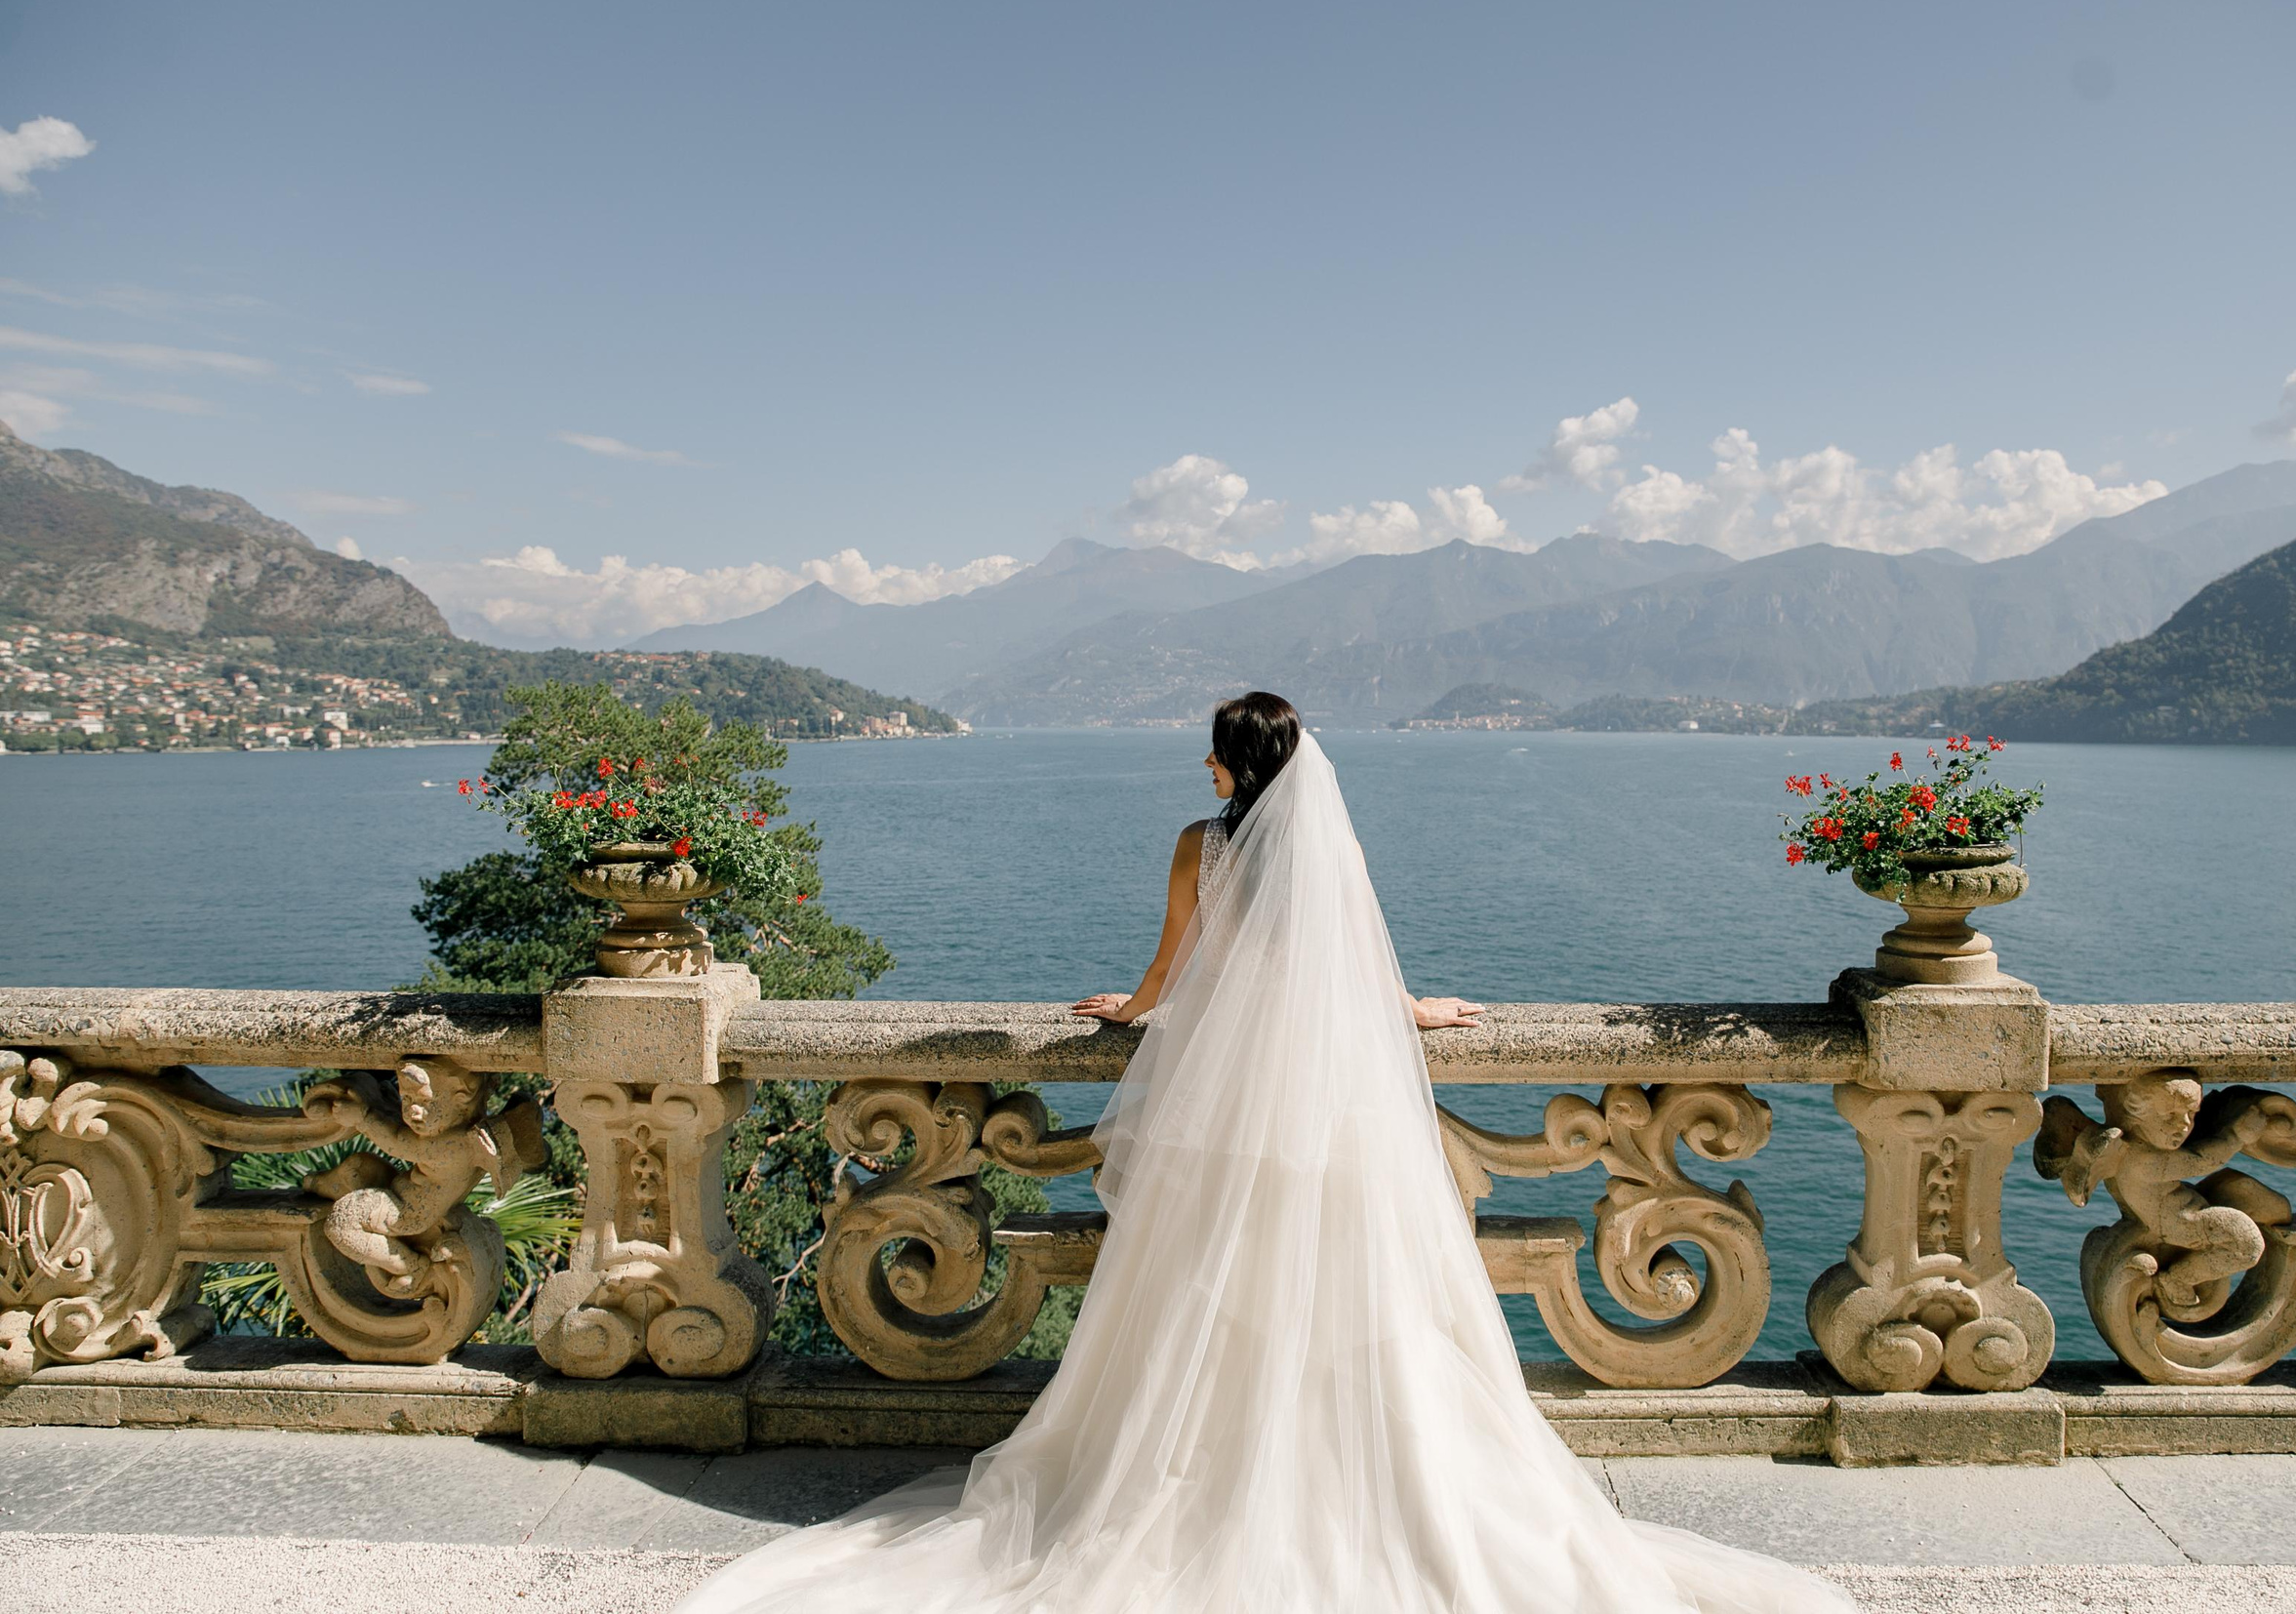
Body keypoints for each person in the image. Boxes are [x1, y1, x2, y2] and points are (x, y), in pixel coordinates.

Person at [677, 692, 1852, 1614]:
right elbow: (1361, 966)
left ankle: (1219, 1471)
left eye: (1212, 749)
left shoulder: (1200, 845)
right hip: (1328, 1110)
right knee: (1333, 1294)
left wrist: (1126, 1009)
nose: (1202, 764)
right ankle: (1330, 1479)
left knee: (1215, 1290)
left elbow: (1170, 970)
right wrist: (1418, 1012)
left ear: (1236, 764)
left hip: (1219, 1104)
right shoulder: (1322, 854)